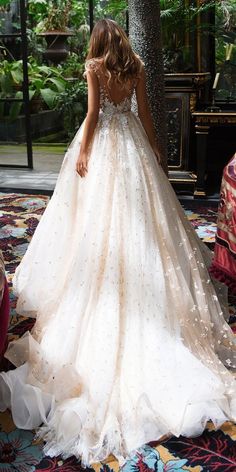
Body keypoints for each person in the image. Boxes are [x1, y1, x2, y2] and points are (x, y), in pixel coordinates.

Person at [0, 19, 236, 468]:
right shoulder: (137, 66)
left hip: (107, 145)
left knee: (94, 222)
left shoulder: (94, 66)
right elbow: (145, 114)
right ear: (122, 41)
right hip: (131, 148)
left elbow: (91, 115)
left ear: (97, 42)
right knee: (143, 219)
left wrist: (85, 150)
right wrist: (156, 151)